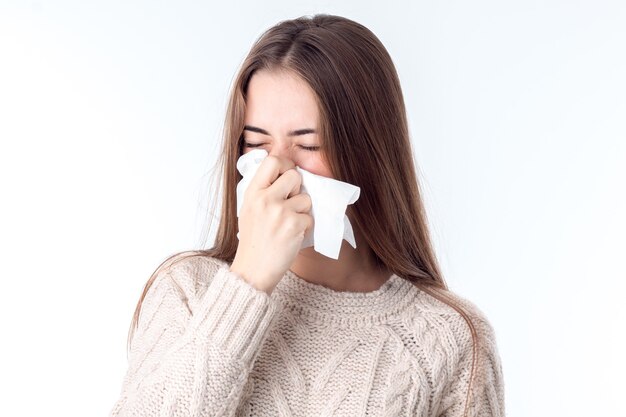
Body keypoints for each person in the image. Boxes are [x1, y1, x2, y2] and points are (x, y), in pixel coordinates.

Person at [108, 13, 505, 417]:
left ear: (369, 152)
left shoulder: (450, 338)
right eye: (256, 144)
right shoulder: (188, 292)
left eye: (309, 146)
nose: (276, 170)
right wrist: (246, 283)